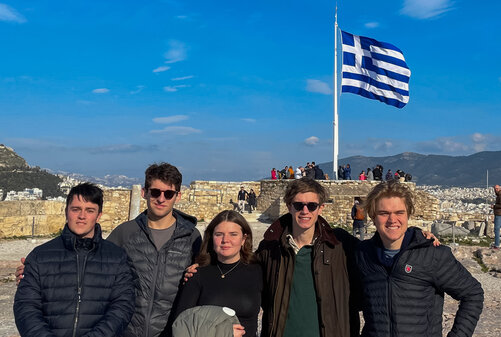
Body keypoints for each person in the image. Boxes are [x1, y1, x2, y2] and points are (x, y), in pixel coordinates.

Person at [356, 180, 484, 337]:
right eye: (384, 213)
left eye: (399, 212)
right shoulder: (363, 254)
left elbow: (472, 294)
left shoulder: (432, 254)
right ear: (373, 216)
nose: (392, 220)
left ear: (408, 214)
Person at [14, 183, 135, 337]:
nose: (82, 216)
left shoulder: (117, 257)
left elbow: (122, 307)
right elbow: (26, 307)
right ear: (66, 212)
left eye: (89, 210)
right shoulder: (40, 256)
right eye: (76, 209)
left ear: (98, 215)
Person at [256, 177, 361, 337]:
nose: (305, 211)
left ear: (321, 208)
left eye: (312, 206)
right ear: (289, 207)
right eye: (299, 205)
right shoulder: (270, 249)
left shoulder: (340, 246)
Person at [107, 163, 201, 337]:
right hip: (126, 331)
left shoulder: (192, 237)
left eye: (169, 193)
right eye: (156, 192)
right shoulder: (125, 233)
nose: (161, 199)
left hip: (171, 332)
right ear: (145, 193)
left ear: (178, 196)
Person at [175, 210, 262, 337]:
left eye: (233, 234)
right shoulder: (198, 274)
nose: (225, 240)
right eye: (219, 234)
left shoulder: (258, 272)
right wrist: (221, 332)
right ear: (211, 238)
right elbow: (181, 324)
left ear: (244, 239)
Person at [491, 184, 501, 249]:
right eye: (495, 189)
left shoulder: (500, 195)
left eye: (497, 189)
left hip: (499, 214)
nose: (495, 190)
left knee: (496, 229)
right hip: (498, 214)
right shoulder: (498, 195)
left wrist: (494, 206)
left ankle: (497, 245)